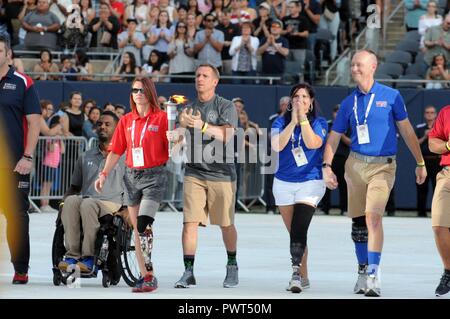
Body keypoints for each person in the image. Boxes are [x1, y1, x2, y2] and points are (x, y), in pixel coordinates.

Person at [322, 49, 427, 297]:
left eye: (359, 64)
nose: (354, 68)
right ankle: (361, 269)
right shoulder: (349, 102)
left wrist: (420, 162)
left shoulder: (392, 96)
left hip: (383, 166)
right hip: (355, 165)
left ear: (373, 66)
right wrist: (326, 167)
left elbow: (408, 131)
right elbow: (334, 137)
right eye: (352, 65)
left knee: (373, 218)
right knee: (358, 223)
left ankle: (374, 273)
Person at [166, 64, 239, 288]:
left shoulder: (226, 106)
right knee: (189, 223)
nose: (200, 79)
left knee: (225, 224)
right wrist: (174, 136)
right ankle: (188, 271)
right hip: (194, 171)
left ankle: (232, 265)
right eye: (197, 75)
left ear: (215, 81)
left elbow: (227, 135)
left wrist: (202, 125)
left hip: (222, 173)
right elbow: (180, 141)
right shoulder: (187, 108)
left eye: (205, 76)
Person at [95, 77, 169, 293]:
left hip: (154, 175)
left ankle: (149, 275)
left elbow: (175, 142)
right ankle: (146, 276)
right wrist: (103, 174)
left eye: (142, 90)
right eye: (134, 90)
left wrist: (179, 137)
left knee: (144, 223)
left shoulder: (162, 118)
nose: (138, 93)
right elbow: (116, 150)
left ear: (150, 93)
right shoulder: (126, 120)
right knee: (137, 228)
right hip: (131, 176)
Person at [271, 83, 327, 293]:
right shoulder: (279, 121)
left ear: (311, 102)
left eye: (304, 97)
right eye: (296, 97)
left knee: (299, 228)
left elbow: (313, 144)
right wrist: (292, 122)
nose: (299, 100)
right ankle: (304, 276)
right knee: (295, 233)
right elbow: (277, 146)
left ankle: (295, 274)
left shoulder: (319, 122)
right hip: (284, 182)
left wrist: (302, 120)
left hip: (310, 182)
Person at [58, 111, 125, 274]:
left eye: (108, 124)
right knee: (72, 201)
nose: (102, 126)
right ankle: (72, 256)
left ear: (117, 129)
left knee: (87, 203)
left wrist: (129, 210)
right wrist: (62, 203)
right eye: (100, 124)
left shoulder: (126, 156)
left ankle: (89, 257)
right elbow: (74, 187)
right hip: (88, 200)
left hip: (113, 203)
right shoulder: (85, 156)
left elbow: (134, 187)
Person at [0, 34, 41, 284]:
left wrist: (27, 156)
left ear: (8, 54)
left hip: (14, 165)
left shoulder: (23, 82)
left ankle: (20, 269)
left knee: (16, 218)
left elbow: (34, 122)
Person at [428, 104, 450, 296]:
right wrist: (448, 145)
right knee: (439, 224)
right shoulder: (446, 112)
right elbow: (433, 143)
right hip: (448, 174)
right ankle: (449, 271)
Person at [320, 104, 350, 215]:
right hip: (329, 159)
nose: (337, 114)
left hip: (343, 158)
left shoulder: (349, 125)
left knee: (343, 185)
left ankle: (344, 209)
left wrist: (340, 134)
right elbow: (322, 140)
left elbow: (350, 142)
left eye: (340, 112)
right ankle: (325, 208)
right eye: (335, 112)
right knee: (326, 184)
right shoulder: (328, 124)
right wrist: (331, 134)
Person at [415, 105, 440, 217]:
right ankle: (421, 213)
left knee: (438, 189)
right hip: (423, 161)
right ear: (424, 114)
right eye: (427, 112)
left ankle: (437, 213)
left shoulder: (440, 127)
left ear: (435, 114)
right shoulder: (420, 128)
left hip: (437, 161)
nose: (429, 114)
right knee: (421, 187)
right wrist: (425, 137)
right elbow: (415, 144)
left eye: (432, 112)